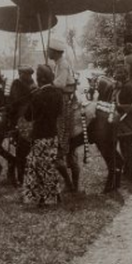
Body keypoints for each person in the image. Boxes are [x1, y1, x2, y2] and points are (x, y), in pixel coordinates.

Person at [23, 65, 63, 206]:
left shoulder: (37, 95)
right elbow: (59, 112)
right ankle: (52, 195)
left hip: (40, 135)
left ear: (39, 79)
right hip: (52, 134)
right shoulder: (58, 93)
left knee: (39, 167)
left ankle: (47, 198)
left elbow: (28, 116)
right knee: (48, 165)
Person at [48, 37, 79, 190]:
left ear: (55, 52)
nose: (47, 52)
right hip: (61, 96)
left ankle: (62, 143)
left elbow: (60, 83)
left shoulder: (63, 64)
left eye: (49, 50)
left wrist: (47, 83)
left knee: (60, 122)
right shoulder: (58, 64)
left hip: (65, 98)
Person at [8, 66, 37, 184]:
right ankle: (19, 175)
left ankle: (24, 174)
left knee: (24, 149)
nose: (28, 76)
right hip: (19, 115)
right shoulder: (17, 83)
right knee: (21, 150)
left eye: (30, 74)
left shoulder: (32, 83)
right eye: (26, 74)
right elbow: (14, 101)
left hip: (29, 114)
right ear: (20, 74)